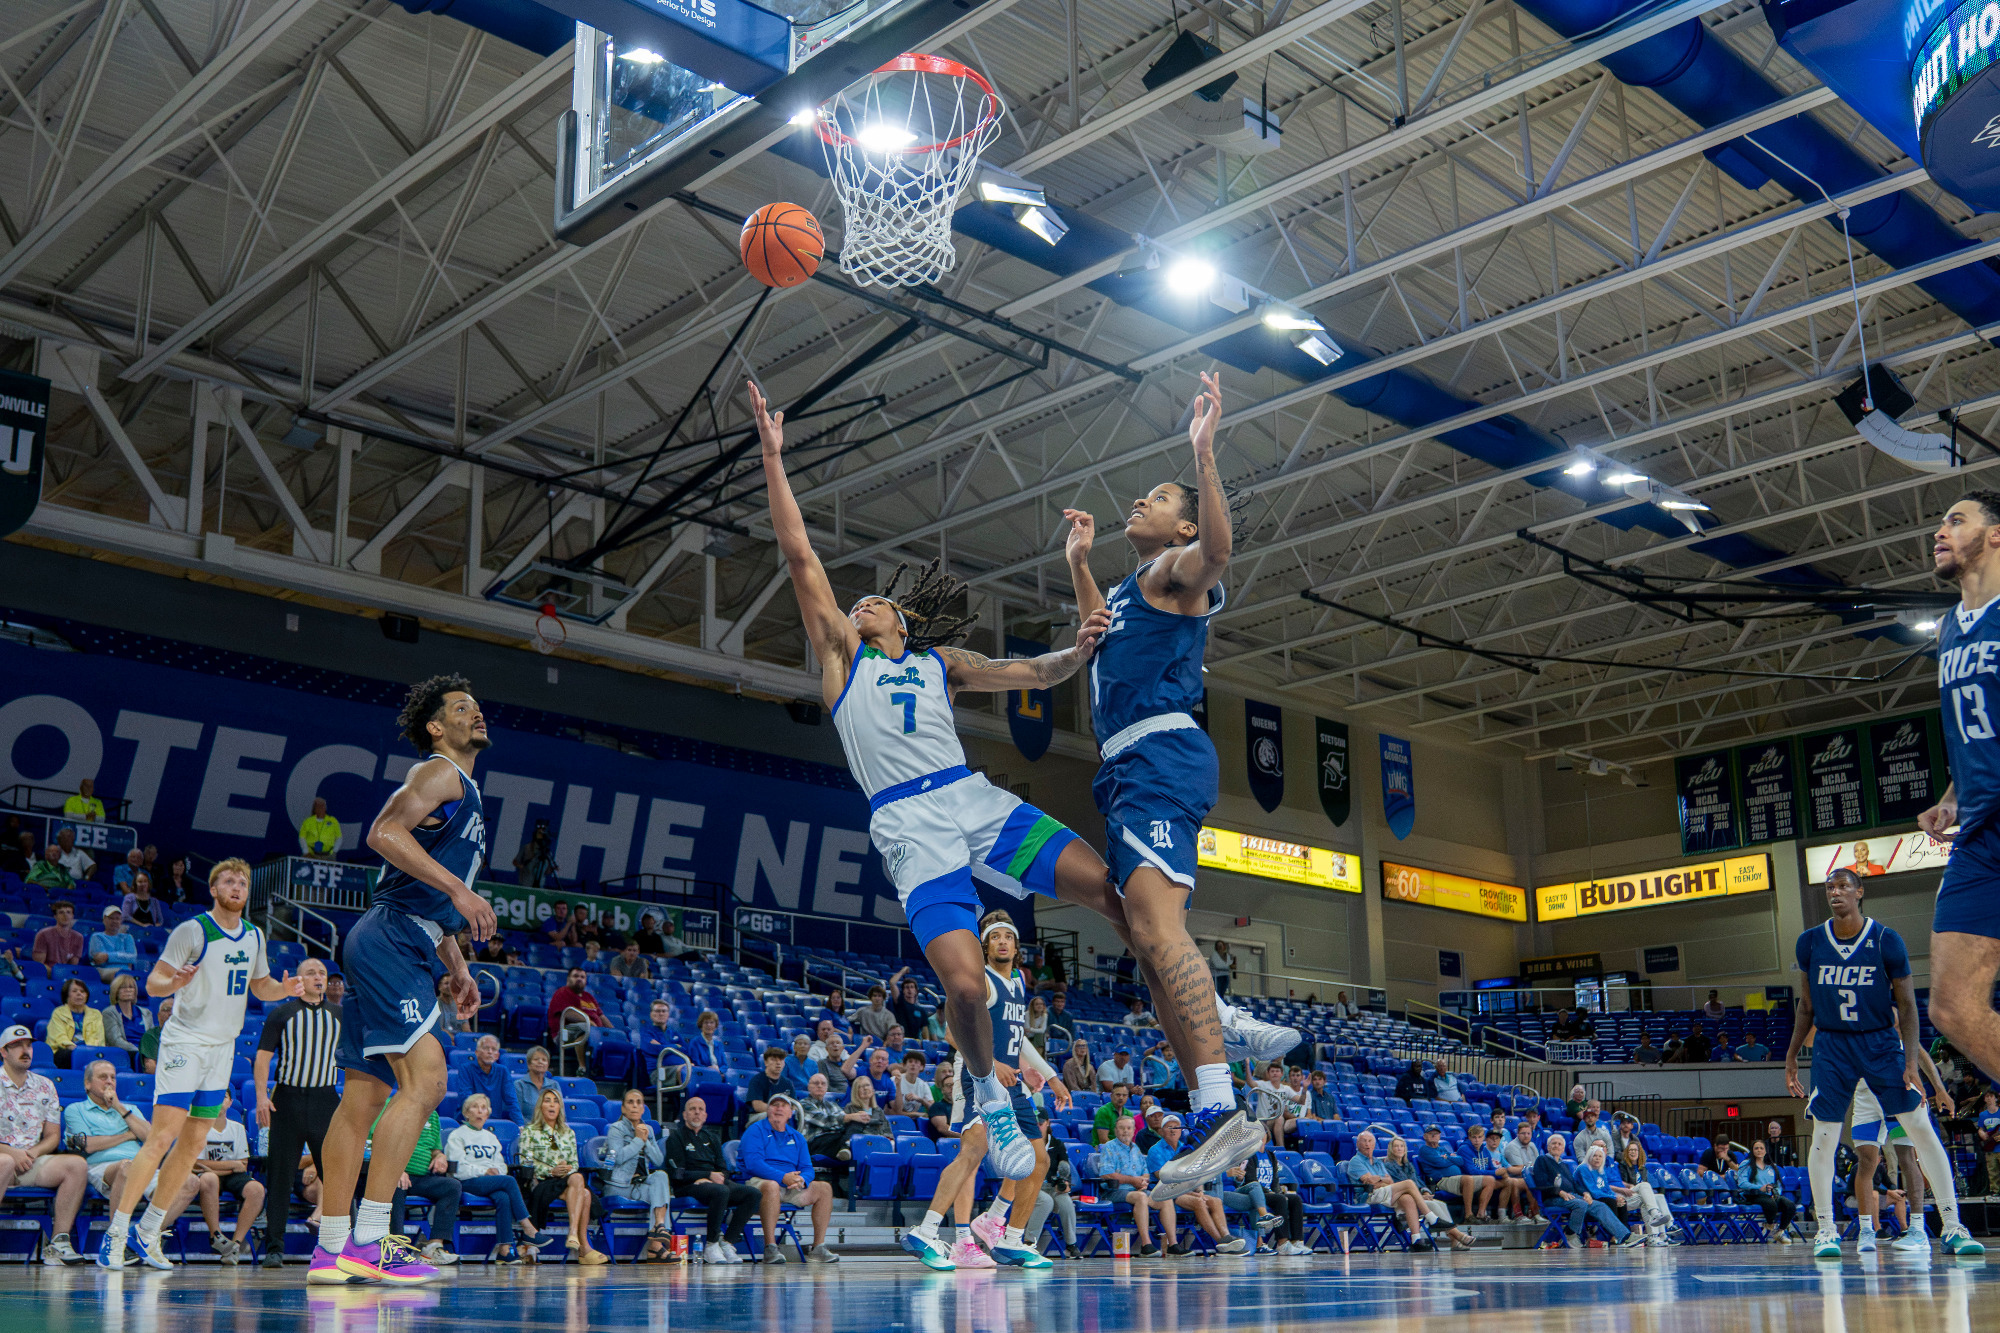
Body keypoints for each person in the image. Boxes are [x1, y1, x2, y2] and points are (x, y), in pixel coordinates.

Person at [1061, 377, 1300, 1196]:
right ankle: (1219, 1046)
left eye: (1159, 498)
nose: (1140, 500)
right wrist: (1080, 567)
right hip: (1132, 763)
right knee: (1144, 936)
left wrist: (1203, 454)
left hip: (1159, 754)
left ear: (1183, 526)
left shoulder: (1174, 571)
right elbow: (1100, 638)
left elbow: (1221, 555)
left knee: (1159, 931)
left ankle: (1221, 1102)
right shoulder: (1130, 591)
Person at [309, 675, 494, 1285]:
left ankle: (331, 1250)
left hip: (398, 936)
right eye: (462, 708)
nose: (476, 713)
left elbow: (425, 902)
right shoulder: (440, 772)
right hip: (390, 938)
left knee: (362, 1099)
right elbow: (383, 834)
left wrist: (458, 968)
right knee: (429, 1078)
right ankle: (371, 1240)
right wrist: (461, 889)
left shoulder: (463, 790)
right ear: (437, 727)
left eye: (477, 707)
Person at [97, 858, 300, 1271]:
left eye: (243, 881)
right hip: (185, 1043)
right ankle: (115, 1233)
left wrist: (284, 988)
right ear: (213, 889)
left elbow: (260, 985)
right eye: (229, 880)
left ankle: (147, 1232)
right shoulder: (193, 930)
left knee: (192, 1145)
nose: (237, 886)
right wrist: (174, 983)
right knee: (162, 1137)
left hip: (222, 1049)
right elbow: (153, 983)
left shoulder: (254, 936)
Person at [1785, 865, 1983, 1257]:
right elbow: (1806, 1007)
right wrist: (1791, 1057)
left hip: (1880, 1042)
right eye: (1829, 887)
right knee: (1824, 1135)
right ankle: (1826, 1230)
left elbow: (1908, 1007)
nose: (1835, 892)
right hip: (1833, 1045)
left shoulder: (1886, 940)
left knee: (1920, 1129)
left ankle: (1952, 1226)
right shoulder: (1810, 942)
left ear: (1859, 892)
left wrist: (1909, 1063)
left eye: (1843, 886)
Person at [902, 911, 1067, 1270]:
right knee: (973, 1152)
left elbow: (1016, 1035)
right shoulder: (982, 980)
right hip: (980, 1076)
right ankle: (927, 1232)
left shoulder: (1018, 982)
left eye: (1008, 936)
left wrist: (1047, 1074)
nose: (1002, 942)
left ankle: (1009, 1238)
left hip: (1011, 1080)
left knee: (1038, 1159)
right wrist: (993, 1062)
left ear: (1017, 947)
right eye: (995, 937)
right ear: (985, 947)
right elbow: (952, 1033)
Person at [251, 955, 340, 1262]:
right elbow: (263, 1058)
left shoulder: (340, 1015)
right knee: (280, 1175)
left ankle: (342, 1244)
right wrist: (261, 1097)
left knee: (336, 1174)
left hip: (326, 1100)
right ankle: (274, 1248)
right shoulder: (282, 1013)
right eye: (311, 972)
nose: (318, 977)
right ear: (299, 980)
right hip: (287, 1100)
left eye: (322, 973)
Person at [64, 1059, 163, 1248]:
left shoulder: (130, 1109)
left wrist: (119, 1107)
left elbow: (151, 1138)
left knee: (188, 1183)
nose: (109, 1081)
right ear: (87, 1083)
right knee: (126, 1168)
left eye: (113, 1078)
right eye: (103, 1077)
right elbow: (88, 1145)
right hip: (102, 1166)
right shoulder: (75, 1110)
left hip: (140, 1166)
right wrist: (128, 1135)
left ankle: (143, 1239)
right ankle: (116, 1240)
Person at [9, 1036, 88, 1265]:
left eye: (28, 1045)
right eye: (17, 1045)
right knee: (4, 1163)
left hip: (30, 1160)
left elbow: (53, 1136)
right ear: (3, 1052)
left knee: (76, 1165)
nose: (25, 1050)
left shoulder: (45, 1085)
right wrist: (13, 1154)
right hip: (3, 1157)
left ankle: (58, 1243)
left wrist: (32, 1153)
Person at [739, 1092, 838, 1262]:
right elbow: (754, 1164)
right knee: (771, 1186)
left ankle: (818, 1248)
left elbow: (807, 1168)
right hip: (758, 1182)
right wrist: (783, 1177)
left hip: (790, 1184)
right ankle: (770, 1248)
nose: (779, 1108)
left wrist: (802, 1180)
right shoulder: (755, 1130)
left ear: (791, 1113)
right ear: (768, 1110)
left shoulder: (797, 1137)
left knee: (824, 1188)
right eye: (774, 1105)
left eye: (783, 1105)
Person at [444, 1094, 542, 1264]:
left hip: (490, 1182)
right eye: (475, 1107)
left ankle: (504, 1251)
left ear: (488, 1114)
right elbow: (457, 1170)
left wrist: (496, 1172)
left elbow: (501, 1165)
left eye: (483, 1108)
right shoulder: (457, 1135)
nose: (479, 1111)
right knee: (509, 1181)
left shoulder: (491, 1138)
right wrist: (484, 1171)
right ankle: (528, 1227)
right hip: (466, 1182)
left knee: (503, 1196)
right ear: (466, 1113)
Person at [664, 1092, 757, 1264]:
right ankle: (711, 1245)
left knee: (753, 1194)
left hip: (713, 1184)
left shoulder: (712, 1137)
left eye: (701, 1109)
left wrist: (717, 1177)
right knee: (720, 1191)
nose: (697, 1112)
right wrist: (705, 1176)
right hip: (687, 1185)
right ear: (684, 1115)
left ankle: (728, 1242)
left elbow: (723, 1169)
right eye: (692, 1109)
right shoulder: (675, 1137)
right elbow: (677, 1174)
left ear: (706, 1115)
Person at [517, 1087, 608, 1264]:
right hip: (543, 1182)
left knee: (577, 1179)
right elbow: (526, 1163)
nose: (552, 1105)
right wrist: (551, 1171)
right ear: (540, 1106)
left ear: (560, 1107)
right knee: (584, 1191)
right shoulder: (529, 1131)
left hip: (566, 1180)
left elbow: (574, 1163)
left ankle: (575, 1236)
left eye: (556, 1101)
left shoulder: (568, 1133)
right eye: (547, 1101)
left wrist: (565, 1169)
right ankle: (582, 1245)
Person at [1144, 1115, 1251, 1255]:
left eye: (1176, 1127)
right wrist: (1191, 1189)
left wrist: (1199, 1190)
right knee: (1199, 1202)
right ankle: (1220, 1243)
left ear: (1181, 1131)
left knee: (1215, 1201)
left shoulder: (1186, 1149)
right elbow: (1164, 1177)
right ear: (1162, 1131)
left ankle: (1227, 1236)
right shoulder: (1155, 1150)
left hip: (1187, 1189)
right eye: (1169, 1127)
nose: (1173, 1130)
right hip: (1167, 1192)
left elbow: (1197, 1173)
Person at [191, 1093, 266, 1263]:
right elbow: (196, 1163)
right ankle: (216, 1236)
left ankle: (235, 1245)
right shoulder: (199, 1127)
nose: (219, 1100)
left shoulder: (237, 1128)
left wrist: (215, 1168)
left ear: (230, 1102)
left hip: (231, 1176)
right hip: (208, 1176)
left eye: (223, 1096)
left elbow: (243, 1165)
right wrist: (231, 1165)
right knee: (209, 1179)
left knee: (257, 1189)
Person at [604, 1087, 674, 1259]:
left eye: (638, 1102)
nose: (635, 1106)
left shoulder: (647, 1129)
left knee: (661, 1176)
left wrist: (646, 1140)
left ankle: (659, 1227)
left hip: (641, 1184)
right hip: (620, 1185)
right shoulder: (616, 1129)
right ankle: (656, 1247)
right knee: (661, 1194)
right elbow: (618, 1158)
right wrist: (638, 1140)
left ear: (643, 1108)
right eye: (630, 1102)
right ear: (623, 1108)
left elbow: (658, 1160)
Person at [1533, 1134, 1636, 1248]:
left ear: (1563, 1149)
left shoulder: (1564, 1165)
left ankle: (1625, 1236)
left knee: (1600, 1206)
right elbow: (1541, 1184)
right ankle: (1570, 1233)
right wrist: (1559, 1192)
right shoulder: (1542, 1160)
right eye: (1554, 1143)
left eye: (1559, 1144)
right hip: (1553, 1198)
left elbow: (1575, 1185)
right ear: (1548, 1147)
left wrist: (1585, 1193)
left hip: (1571, 1196)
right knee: (1581, 1204)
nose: (1556, 1146)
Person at [1096, 1114, 1163, 1255]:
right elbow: (1107, 1174)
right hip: (1114, 1192)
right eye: (1122, 1128)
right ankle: (1146, 1245)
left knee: (1165, 1199)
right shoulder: (1109, 1147)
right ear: (1115, 1130)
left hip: (1137, 1190)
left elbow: (1145, 1172)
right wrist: (1133, 1180)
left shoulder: (1136, 1149)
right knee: (1141, 1197)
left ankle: (1172, 1244)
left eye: (1128, 1128)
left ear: (1133, 1131)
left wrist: (1143, 1182)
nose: (1125, 1131)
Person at [1574, 1143, 1646, 1247]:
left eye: (1600, 1156)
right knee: (1611, 1202)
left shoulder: (1600, 1170)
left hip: (1598, 1196)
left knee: (1622, 1202)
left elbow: (1606, 1188)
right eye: (1595, 1156)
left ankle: (1626, 1237)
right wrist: (1614, 1198)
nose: (1597, 1158)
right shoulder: (1584, 1168)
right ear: (1589, 1156)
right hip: (1586, 1197)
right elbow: (1593, 1190)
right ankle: (1615, 1237)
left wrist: (1617, 1197)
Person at [1608, 1140, 1676, 1245]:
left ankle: (1662, 1233)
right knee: (1645, 1185)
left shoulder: (1642, 1169)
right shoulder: (1622, 1166)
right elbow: (1622, 1184)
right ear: (1626, 1153)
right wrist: (1631, 1186)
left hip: (1639, 1195)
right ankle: (1661, 1220)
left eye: (1635, 1150)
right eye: (1630, 1150)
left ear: (1640, 1153)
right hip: (1627, 1195)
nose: (1633, 1152)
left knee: (1659, 1197)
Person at [1733, 1138, 1797, 1242]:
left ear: (1766, 1151)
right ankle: (1770, 1224)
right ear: (1752, 1150)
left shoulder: (1771, 1166)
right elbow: (1742, 1183)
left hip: (1770, 1195)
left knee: (1789, 1205)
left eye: (1761, 1148)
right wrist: (1759, 1187)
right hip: (1753, 1195)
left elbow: (1777, 1184)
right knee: (1770, 1204)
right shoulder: (1746, 1164)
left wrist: (1776, 1193)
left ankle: (1780, 1231)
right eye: (1756, 1148)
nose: (1759, 1150)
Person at [46, 977, 106, 1069]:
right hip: (66, 1051)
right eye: (74, 991)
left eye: (82, 991)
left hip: (89, 1051)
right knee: (68, 1055)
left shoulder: (96, 1014)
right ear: (67, 995)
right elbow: (60, 1038)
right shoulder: (58, 1013)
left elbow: (98, 1038)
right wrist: (78, 1051)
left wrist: (87, 1052)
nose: (79, 994)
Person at [548, 966, 610, 1050]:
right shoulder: (562, 992)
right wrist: (590, 1023)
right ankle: (584, 1059)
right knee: (586, 1028)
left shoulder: (589, 996)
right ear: (568, 979)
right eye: (575, 976)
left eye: (582, 977)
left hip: (593, 1031)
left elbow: (601, 1016)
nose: (579, 979)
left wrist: (612, 1032)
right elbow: (568, 1013)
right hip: (564, 1034)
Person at [1248, 1060, 1302, 1149]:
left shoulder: (1286, 1089)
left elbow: (1301, 1101)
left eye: (1277, 1071)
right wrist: (1247, 1065)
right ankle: (1281, 1147)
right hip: (1263, 1121)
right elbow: (1250, 1083)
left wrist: (1305, 1089)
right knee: (1280, 1118)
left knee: (1282, 1119)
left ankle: (1281, 1147)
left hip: (1277, 1121)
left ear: (1281, 1074)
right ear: (1268, 1073)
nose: (1275, 1073)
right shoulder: (1263, 1085)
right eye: (1272, 1071)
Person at [102, 973, 153, 1059]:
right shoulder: (109, 1013)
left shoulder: (146, 1013)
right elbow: (115, 1041)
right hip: (124, 1054)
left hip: (146, 1055)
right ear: (116, 991)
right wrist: (139, 1052)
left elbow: (151, 1038)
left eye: (131, 987)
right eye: (123, 987)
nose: (128, 990)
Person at [745, 1046, 795, 1125]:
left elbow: (794, 1105)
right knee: (774, 1116)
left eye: (781, 1060)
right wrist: (779, 1111)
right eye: (773, 1060)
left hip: (782, 1116)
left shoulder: (788, 1083)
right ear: (766, 1062)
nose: (778, 1063)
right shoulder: (757, 1080)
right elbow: (758, 1106)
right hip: (759, 1116)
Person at [88, 905, 138, 982]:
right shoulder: (97, 937)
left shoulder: (128, 937)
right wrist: (123, 957)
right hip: (104, 971)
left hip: (125, 972)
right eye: (111, 918)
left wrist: (108, 956)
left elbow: (132, 958)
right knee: (120, 975)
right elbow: (99, 960)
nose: (114, 921)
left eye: (117, 919)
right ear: (104, 920)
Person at [511, 1046, 554, 1124]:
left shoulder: (554, 1085)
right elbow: (516, 1113)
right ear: (529, 1064)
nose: (540, 1062)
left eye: (544, 1060)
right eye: (536, 1059)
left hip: (550, 1128)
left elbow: (559, 1112)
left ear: (547, 1065)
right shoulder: (519, 1085)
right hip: (528, 1128)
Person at [513, 819, 557, 889]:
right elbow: (515, 861)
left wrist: (553, 869)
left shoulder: (547, 852)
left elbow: (547, 871)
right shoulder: (527, 847)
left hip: (540, 885)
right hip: (526, 883)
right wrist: (522, 867)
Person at [1978, 1089, 2000, 1193]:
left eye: (1991, 1096)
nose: (1989, 1098)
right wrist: (1982, 1134)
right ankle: (1995, 1191)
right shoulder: (1982, 1115)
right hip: (1990, 1147)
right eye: (1987, 1097)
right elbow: (1981, 1128)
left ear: (1996, 1098)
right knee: (1992, 1171)